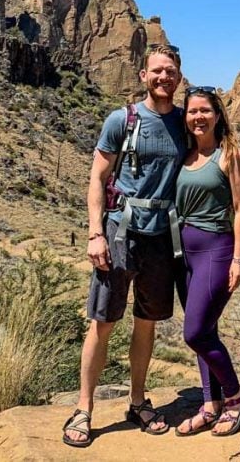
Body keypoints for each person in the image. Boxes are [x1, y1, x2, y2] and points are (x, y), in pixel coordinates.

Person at [62, 45, 186, 448]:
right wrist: (95, 233)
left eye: (170, 71)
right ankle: (84, 407)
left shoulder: (186, 123)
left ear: (179, 76)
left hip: (162, 239)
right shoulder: (123, 119)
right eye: (157, 71)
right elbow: (97, 178)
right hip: (120, 233)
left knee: (147, 322)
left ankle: (137, 400)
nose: (163, 77)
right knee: (103, 321)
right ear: (142, 75)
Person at [173, 85, 240, 437]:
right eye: (192, 111)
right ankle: (210, 404)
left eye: (205, 110)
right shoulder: (186, 154)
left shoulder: (229, 155)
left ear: (218, 115)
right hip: (182, 253)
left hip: (216, 251)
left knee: (194, 333)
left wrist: (238, 258)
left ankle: (235, 396)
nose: (198, 117)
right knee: (205, 331)